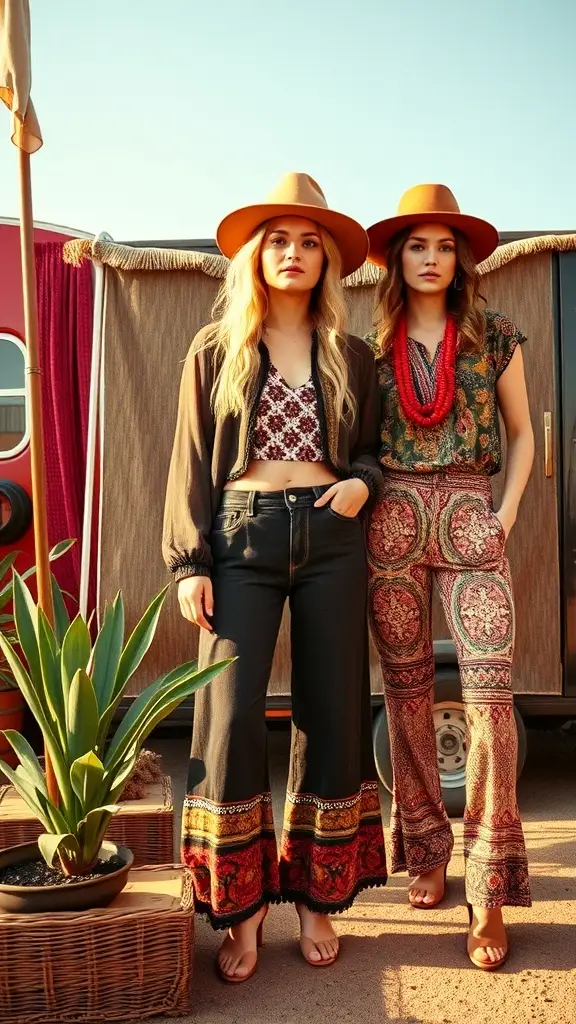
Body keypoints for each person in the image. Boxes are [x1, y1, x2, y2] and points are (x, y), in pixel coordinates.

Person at [163, 172, 387, 983]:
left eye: (309, 242)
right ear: (257, 256)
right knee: (228, 720)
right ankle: (243, 907)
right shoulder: (214, 349)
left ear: (328, 261)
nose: (294, 253)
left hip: (331, 533)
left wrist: (362, 481)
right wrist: (189, 562)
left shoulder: (351, 354)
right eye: (280, 240)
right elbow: (188, 462)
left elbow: (369, 450)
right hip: (241, 536)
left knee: (331, 709)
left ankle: (318, 899)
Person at [364, 184, 534, 971]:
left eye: (442, 245)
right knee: (405, 691)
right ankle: (426, 848)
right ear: (399, 257)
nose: (430, 258)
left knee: (491, 701)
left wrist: (503, 516)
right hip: (394, 512)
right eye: (416, 245)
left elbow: (526, 434)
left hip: (471, 508)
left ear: (459, 256)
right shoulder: (376, 340)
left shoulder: (494, 336)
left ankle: (488, 888)